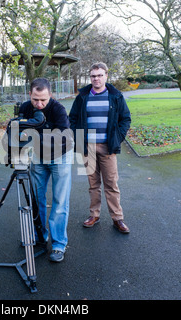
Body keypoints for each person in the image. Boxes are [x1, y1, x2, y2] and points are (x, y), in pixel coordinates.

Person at [69, 62, 131, 233]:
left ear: (106, 76)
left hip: (107, 146)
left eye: (99, 75)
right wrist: (78, 136)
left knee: (111, 184)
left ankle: (117, 218)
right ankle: (94, 215)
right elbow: (72, 118)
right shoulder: (82, 96)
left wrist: (117, 138)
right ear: (90, 77)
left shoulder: (115, 96)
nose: (96, 78)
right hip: (87, 147)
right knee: (93, 184)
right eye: (93, 76)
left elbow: (125, 119)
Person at [19, 78, 73, 262]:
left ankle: (58, 245)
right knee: (36, 197)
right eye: (35, 99)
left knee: (59, 201)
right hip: (38, 158)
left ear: (50, 95)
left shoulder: (58, 110)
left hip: (60, 156)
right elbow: (21, 131)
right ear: (30, 95)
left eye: (43, 99)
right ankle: (39, 235)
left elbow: (62, 137)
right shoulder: (26, 108)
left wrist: (35, 137)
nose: (39, 104)